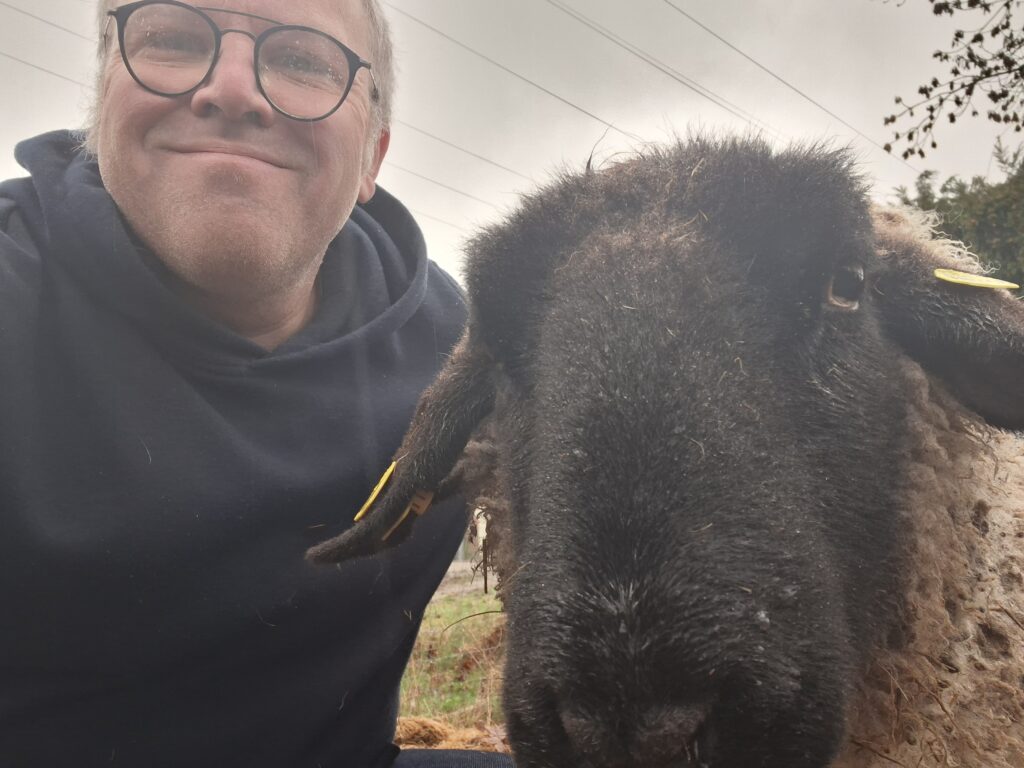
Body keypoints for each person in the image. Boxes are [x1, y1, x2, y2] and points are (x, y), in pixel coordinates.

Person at [0, 1, 513, 766]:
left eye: (302, 59)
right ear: (100, 104)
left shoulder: (457, 343)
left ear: (372, 157)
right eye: (173, 39)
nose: (232, 89)